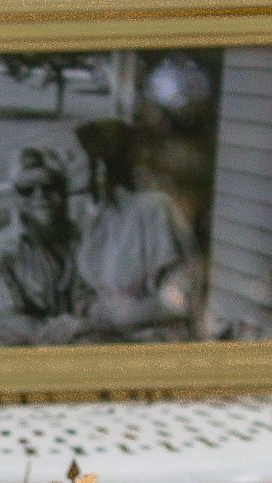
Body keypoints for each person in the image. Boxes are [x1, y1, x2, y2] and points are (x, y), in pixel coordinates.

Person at [73, 119, 201, 341]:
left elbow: (179, 300)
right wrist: (88, 310)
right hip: (107, 334)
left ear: (100, 168)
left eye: (74, 159)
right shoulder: (98, 215)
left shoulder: (155, 211)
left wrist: (110, 317)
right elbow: (88, 288)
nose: (66, 166)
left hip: (153, 340)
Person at [0, 145, 93, 345]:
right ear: (15, 197)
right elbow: (4, 320)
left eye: (49, 186)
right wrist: (73, 334)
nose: (39, 195)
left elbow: (101, 299)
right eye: (27, 190)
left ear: (64, 192)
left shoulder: (85, 241)